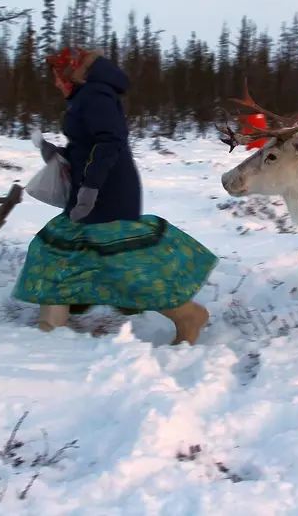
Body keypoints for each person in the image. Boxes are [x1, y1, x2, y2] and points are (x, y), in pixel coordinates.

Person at [11, 47, 217, 345]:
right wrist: (57, 154)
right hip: (94, 187)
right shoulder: (88, 95)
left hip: (107, 191)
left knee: (122, 263)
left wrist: (91, 190)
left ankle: (187, 315)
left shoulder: (95, 95)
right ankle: (52, 328)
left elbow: (110, 142)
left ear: (71, 72)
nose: (56, 83)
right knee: (61, 252)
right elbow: (88, 145)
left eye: (57, 76)